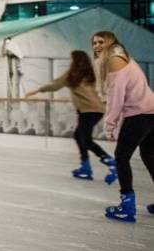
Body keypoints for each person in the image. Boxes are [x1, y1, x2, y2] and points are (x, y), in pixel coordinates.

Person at [24, 50, 115, 183]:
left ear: (75, 61)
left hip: (88, 110)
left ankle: (104, 162)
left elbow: (55, 85)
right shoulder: (92, 74)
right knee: (81, 137)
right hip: (97, 110)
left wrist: (37, 90)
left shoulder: (72, 74)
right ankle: (88, 165)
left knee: (83, 137)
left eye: (72, 59)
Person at [92, 31, 154, 222]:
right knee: (149, 154)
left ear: (110, 42)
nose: (96, 46)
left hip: (140, 114)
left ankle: (127, 206)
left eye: (101, 42)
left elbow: (116, 97)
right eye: (94, 43)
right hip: (150, 111)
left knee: (121, 156)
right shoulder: (122, 55)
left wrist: (110, 124)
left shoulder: (114, 60)